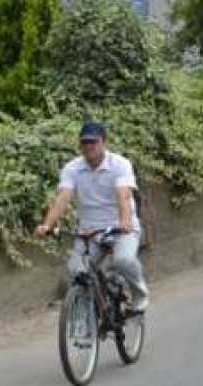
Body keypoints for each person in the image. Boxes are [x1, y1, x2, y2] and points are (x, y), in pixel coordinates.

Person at [35, 122, 149, 312]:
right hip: (89, 231)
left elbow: (124, 195)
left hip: (120, 227)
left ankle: (139, 294)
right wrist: (47, 225)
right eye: (84, 143)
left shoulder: (120, 164)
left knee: (123, 260)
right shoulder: (72, 168)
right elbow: (63, 198)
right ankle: (90, 314)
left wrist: (125, 222)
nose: (88, 147)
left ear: (104, 142)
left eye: (93, 142)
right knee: (76, 270)